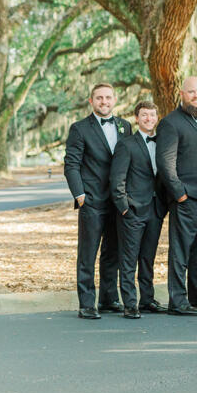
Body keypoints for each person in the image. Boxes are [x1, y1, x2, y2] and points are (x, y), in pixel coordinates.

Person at [156, 76, 197, 315]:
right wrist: (179, 193)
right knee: (181, 249)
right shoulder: (170, 123)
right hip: (186, 197)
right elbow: (165, 163)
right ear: (181, 94)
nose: (196, 96)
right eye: (191, 92)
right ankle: (178, 300)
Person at [64, 83, 129, 318]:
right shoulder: (79, 129)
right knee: (88, 254)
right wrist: (80, 196)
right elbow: (71, 164)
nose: (104, 101)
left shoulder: (125, 126)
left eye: (108, 97)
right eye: (99, 98)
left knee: (113, 252)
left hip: (118, 201)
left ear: (114, 100)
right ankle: (87, 303)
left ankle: (109, 299)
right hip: (91, 201)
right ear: (91, 101)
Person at [109, 100, 166, 318]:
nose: (148, 119)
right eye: (144, 115)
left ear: (156, 117)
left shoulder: (162, 142)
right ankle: (130, 303)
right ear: (137, 118)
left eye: (152, 115)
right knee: (129, 258)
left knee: (147, 258)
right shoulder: (127, 144)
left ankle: (147, 299)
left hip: (155, 210)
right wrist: (124, 207)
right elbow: (117, 179)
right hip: (132, 211)